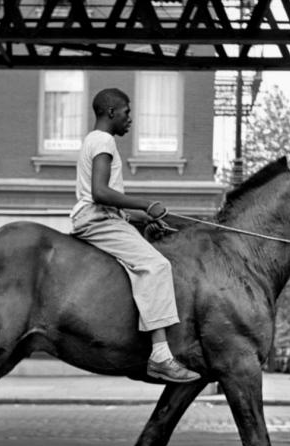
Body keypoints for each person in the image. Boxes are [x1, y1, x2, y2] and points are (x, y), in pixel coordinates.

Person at [70, 88, 200, 383]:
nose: (131, 120)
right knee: (156, 266)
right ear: (111, 112)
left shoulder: (94, 140)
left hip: (102, 217)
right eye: (127, 113)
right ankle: (160, 356)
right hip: (98, 219)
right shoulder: (103, 140)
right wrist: (145, 204)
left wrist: (145, 218)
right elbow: (100, 193)